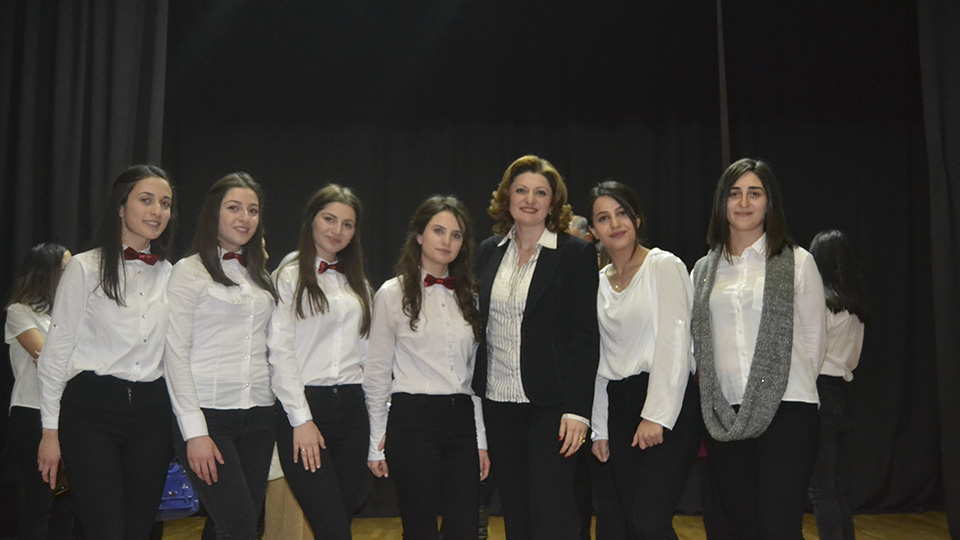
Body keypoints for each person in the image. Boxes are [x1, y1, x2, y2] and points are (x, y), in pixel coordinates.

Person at [164, 172, 318, 539]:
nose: (244, 217)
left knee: (236, 524)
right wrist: (195, 432)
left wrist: (299, 414)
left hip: (259, 416)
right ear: (213, 213)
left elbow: (276, 350)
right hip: (209, 415)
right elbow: (175, 354)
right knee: (238, 525)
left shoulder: (259, 277)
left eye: (252, 210)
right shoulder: (189, 272)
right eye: (234, 208)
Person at [37, 165, 177, 540]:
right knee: (105, 529)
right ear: (120, 206)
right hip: (91, 410)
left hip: (152, 413)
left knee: (138, 530)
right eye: (146, 200)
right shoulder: (85, 267)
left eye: (165, 203)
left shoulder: (171, 274)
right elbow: (56, 354)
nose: (157, 211)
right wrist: (50, 432)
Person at [691, 158, 826, 540]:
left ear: (770, 202)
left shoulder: (798, 261)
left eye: (755, 193)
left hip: (789, 408)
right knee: (744, 526)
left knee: (778, 526)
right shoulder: (702, 270)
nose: (744, 202)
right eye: (734, 194)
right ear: (722, 203)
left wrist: (771, 386)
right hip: (725, 415)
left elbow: (814, 344)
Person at [474, 155, 600, 540]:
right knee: (515, 510)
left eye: (540, 193)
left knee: (553, 512)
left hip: (553, 406)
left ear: (553, 202)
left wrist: (578, 410)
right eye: (521, 190)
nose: (530, 200)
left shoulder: (575, 254)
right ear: (507, 197)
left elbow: (585, 337)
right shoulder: (488, 251)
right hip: (499, 402)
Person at [364, 196, 490, 540]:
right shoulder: (391, 293)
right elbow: (376, 373)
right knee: (419, 528)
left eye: (456, 235)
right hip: (413, 418)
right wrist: (376, 441)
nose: (446, 241)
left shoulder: (471, 295)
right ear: (419, 235)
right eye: (438, 231)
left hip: (461, 418)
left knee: (465, 528)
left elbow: (473, 375)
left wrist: (480, 440)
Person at [586, 181, 703, 539]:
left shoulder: (664, 266)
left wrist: (656, 416)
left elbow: (675, 344)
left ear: (637, 219)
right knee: (622, 522)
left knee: (649, 522)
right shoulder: (597, 282)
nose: (614, 223)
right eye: (603, 218)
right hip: (618, 407)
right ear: (593, 231)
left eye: (622, 213)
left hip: (666, 403)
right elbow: (599, 360)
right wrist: (600, 428)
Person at [268, 184, 374, 539]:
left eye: (347, 224)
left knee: (339, 522)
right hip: (304, 408)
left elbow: (367, 352)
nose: (337, 230)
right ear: (311, 220)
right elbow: (280, 352)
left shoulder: (357, 283)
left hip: (352, 410)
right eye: (329, 219)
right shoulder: (288, 276)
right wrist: (302, 419)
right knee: (332, 527)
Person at [6, 243, 76, 540]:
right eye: (66, 269)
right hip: (32, 412)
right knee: (40, 497)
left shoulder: (72, 315)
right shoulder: (20, 312)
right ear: (46, 272)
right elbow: (47, 359)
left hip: (70, 413)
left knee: (68, 500)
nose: (74, 276)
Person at [807, 229, 868, 540]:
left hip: (820, 392)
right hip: (843, 392)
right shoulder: (855, 310)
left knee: (821, 488)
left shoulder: (822, 305)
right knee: (837, 486)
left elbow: (812, 353)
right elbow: (853, 360)